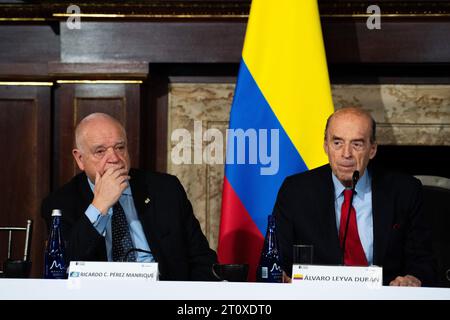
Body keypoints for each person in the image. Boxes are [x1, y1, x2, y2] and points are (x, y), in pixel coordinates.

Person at [41, 113, 217, 281]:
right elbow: (62, 267)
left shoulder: (165, 190)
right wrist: (99, 205)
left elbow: (202, 260)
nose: (115, 158)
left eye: (120, 147)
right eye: (100, 151)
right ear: (80, 159)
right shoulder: (60, 203)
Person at [274, 107, 435, 286]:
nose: (346, 154)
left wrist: (412, 280)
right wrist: (283, 278)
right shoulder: (296, 191)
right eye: (337, 143)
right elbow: (278, 259)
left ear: (372, 149)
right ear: (326, 146)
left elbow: (423, 261)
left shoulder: (404, 191)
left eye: (356, 144)